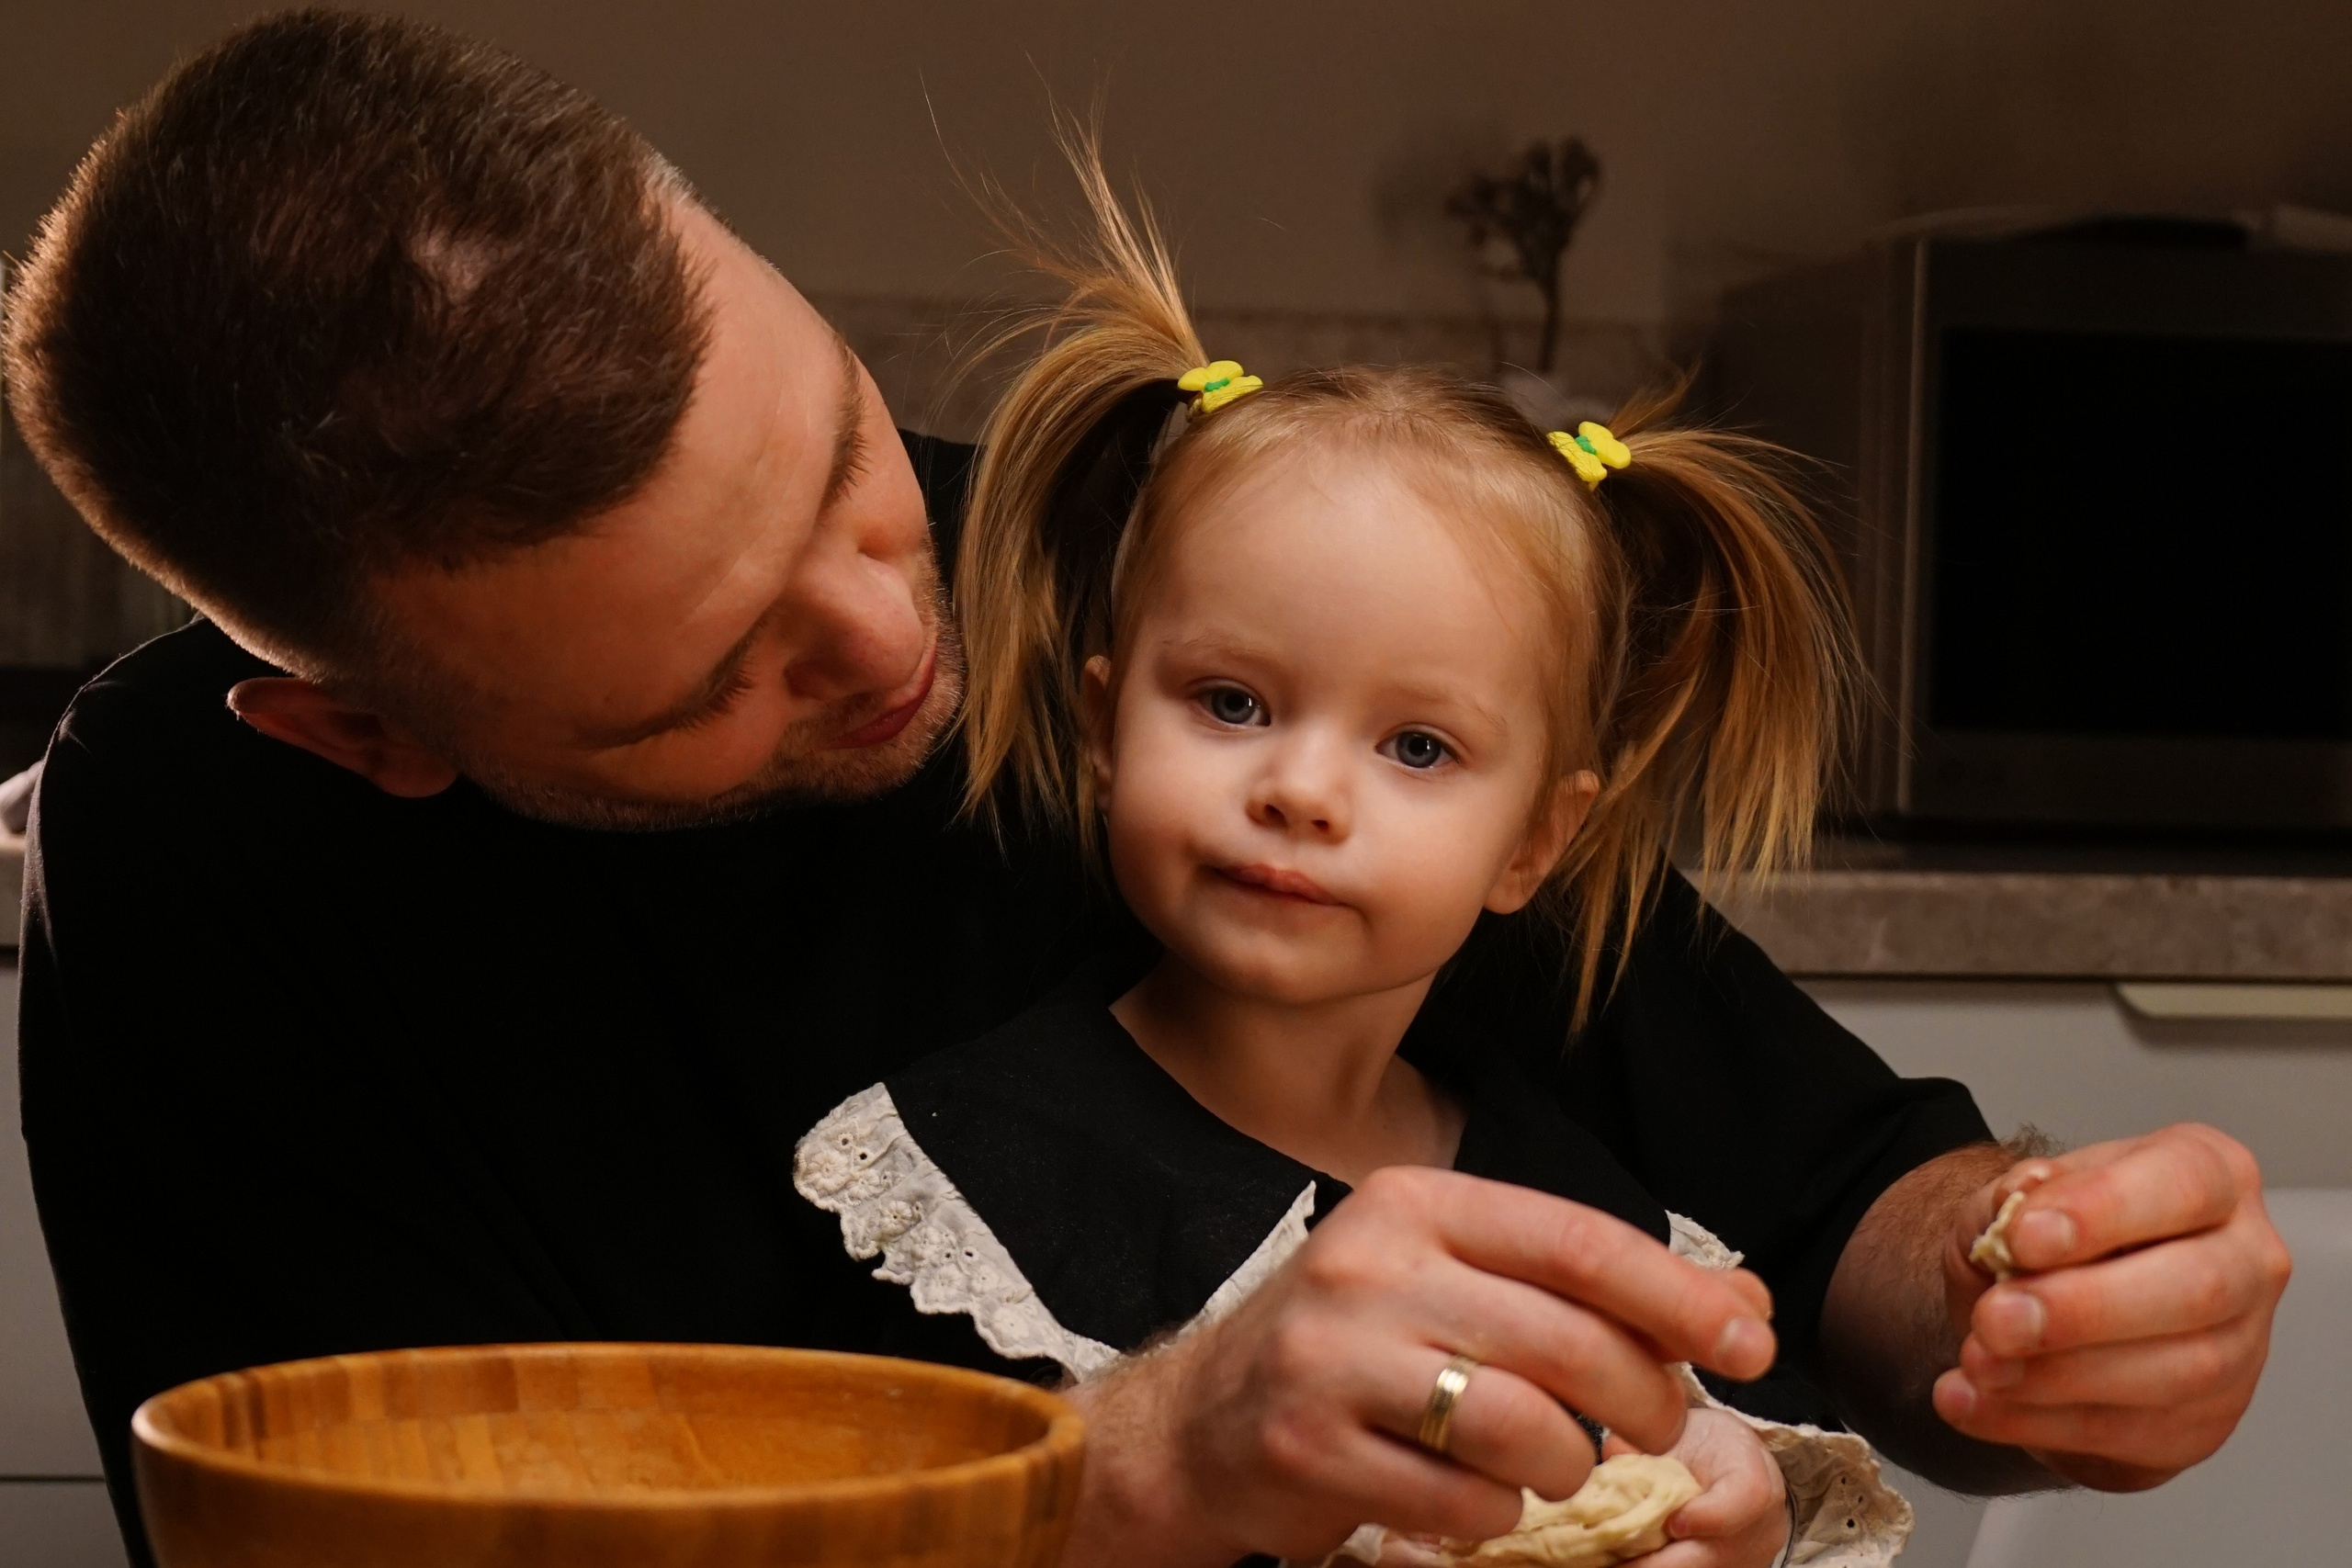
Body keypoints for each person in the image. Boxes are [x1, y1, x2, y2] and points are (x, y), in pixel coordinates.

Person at [0, 14, 2290, 1568]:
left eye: (839, 452)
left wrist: (2029, 1295)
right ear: (369, 732)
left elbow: (1835, 1199)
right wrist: (1130, 1468)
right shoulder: (206, 860)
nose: (899, 635)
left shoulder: (1149, 578)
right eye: (714, 676)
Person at [797, 164, 1904, 1566]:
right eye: (1232, 703)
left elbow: (1729, 1473)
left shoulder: (1572, 1197)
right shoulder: (955, 1166)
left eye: (1418, 748)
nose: (1303, 792)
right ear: (1102, 729)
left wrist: (1739, 1516)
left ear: (1536, 842)